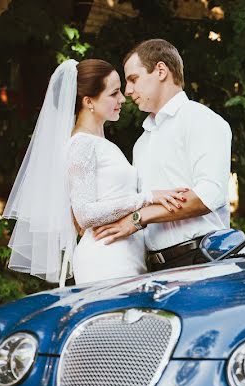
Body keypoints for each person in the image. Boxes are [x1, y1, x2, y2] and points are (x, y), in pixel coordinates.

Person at [3, 59, 184, 285]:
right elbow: (85, 214)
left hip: (125, 256)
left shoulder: (99, 142)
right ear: (89, 101)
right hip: (106, 259)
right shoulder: (82, 145)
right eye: (114, 93)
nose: (122, 98)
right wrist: (147, 198)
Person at [91, 39, 232, 271]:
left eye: (133, 79)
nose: (127, 91)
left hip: (199, 259)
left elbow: (208, 196)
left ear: (160, 71)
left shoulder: (202, 120)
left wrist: (138, 219)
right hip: (154, 266)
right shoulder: (142, 143)